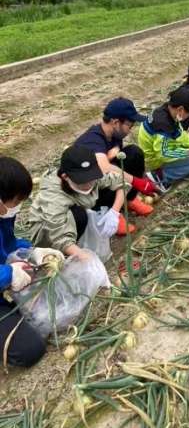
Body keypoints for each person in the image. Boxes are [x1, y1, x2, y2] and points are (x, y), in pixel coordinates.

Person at [0, 156, 58, 367]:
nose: (17, 208)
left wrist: (31, 252)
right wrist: (8, 273)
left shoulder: (3, 215)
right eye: (16, 202)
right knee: (30, 349)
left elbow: (8, 244)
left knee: (44, 311)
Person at [29, 145, 132, 257]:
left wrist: (114, 212)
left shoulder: (92, 177)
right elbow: (57, 235)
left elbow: (121, 182)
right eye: (82, 181)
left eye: (91, 178)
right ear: (65, 177)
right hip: (49, 234)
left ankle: (94, 229)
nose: (89, 184)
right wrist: (83, 256)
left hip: (82, 206)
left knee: (109, 191)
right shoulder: (54, 196)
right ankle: (66, 254)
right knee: (79, 215)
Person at [74, 97, 156, 217]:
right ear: (116, 122)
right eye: (130, 126)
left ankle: (129, 199)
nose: (130, 130)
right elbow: (104, 168)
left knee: (134, 153)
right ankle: (109, 212)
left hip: (103, 181)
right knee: (110, 174)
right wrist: (136, 181)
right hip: (86, 193)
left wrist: (143, 179)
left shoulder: (115, 135)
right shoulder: (93, 140)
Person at [138, 86, 189, 188]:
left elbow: (181, 135)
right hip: (156, 160)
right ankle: (161, 175)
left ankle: (166, 172)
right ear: (180, 109)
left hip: (163, 149)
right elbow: (164, 153)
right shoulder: (163, 124)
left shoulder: (169, 112)